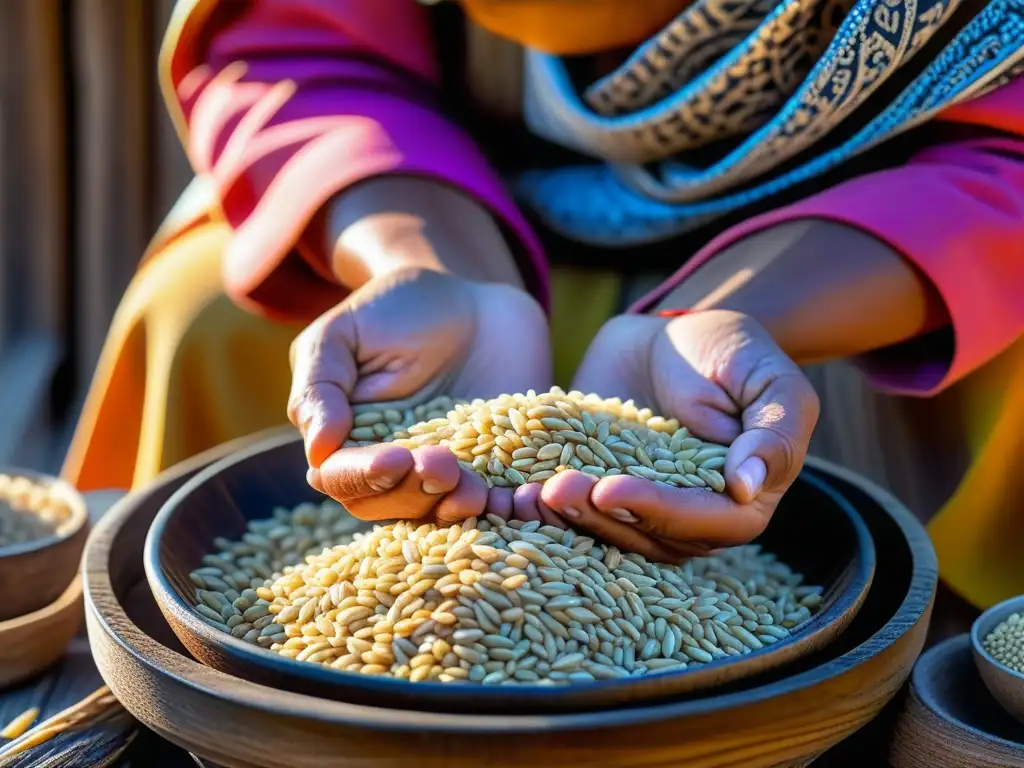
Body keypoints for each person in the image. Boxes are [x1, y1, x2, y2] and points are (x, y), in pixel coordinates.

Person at [63, 0, 1024, 606]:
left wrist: (734, 313)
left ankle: (944, 689)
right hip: (441, 172)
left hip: (868, 232)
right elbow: (296, 39)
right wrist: (428, 259)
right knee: (204, 310)